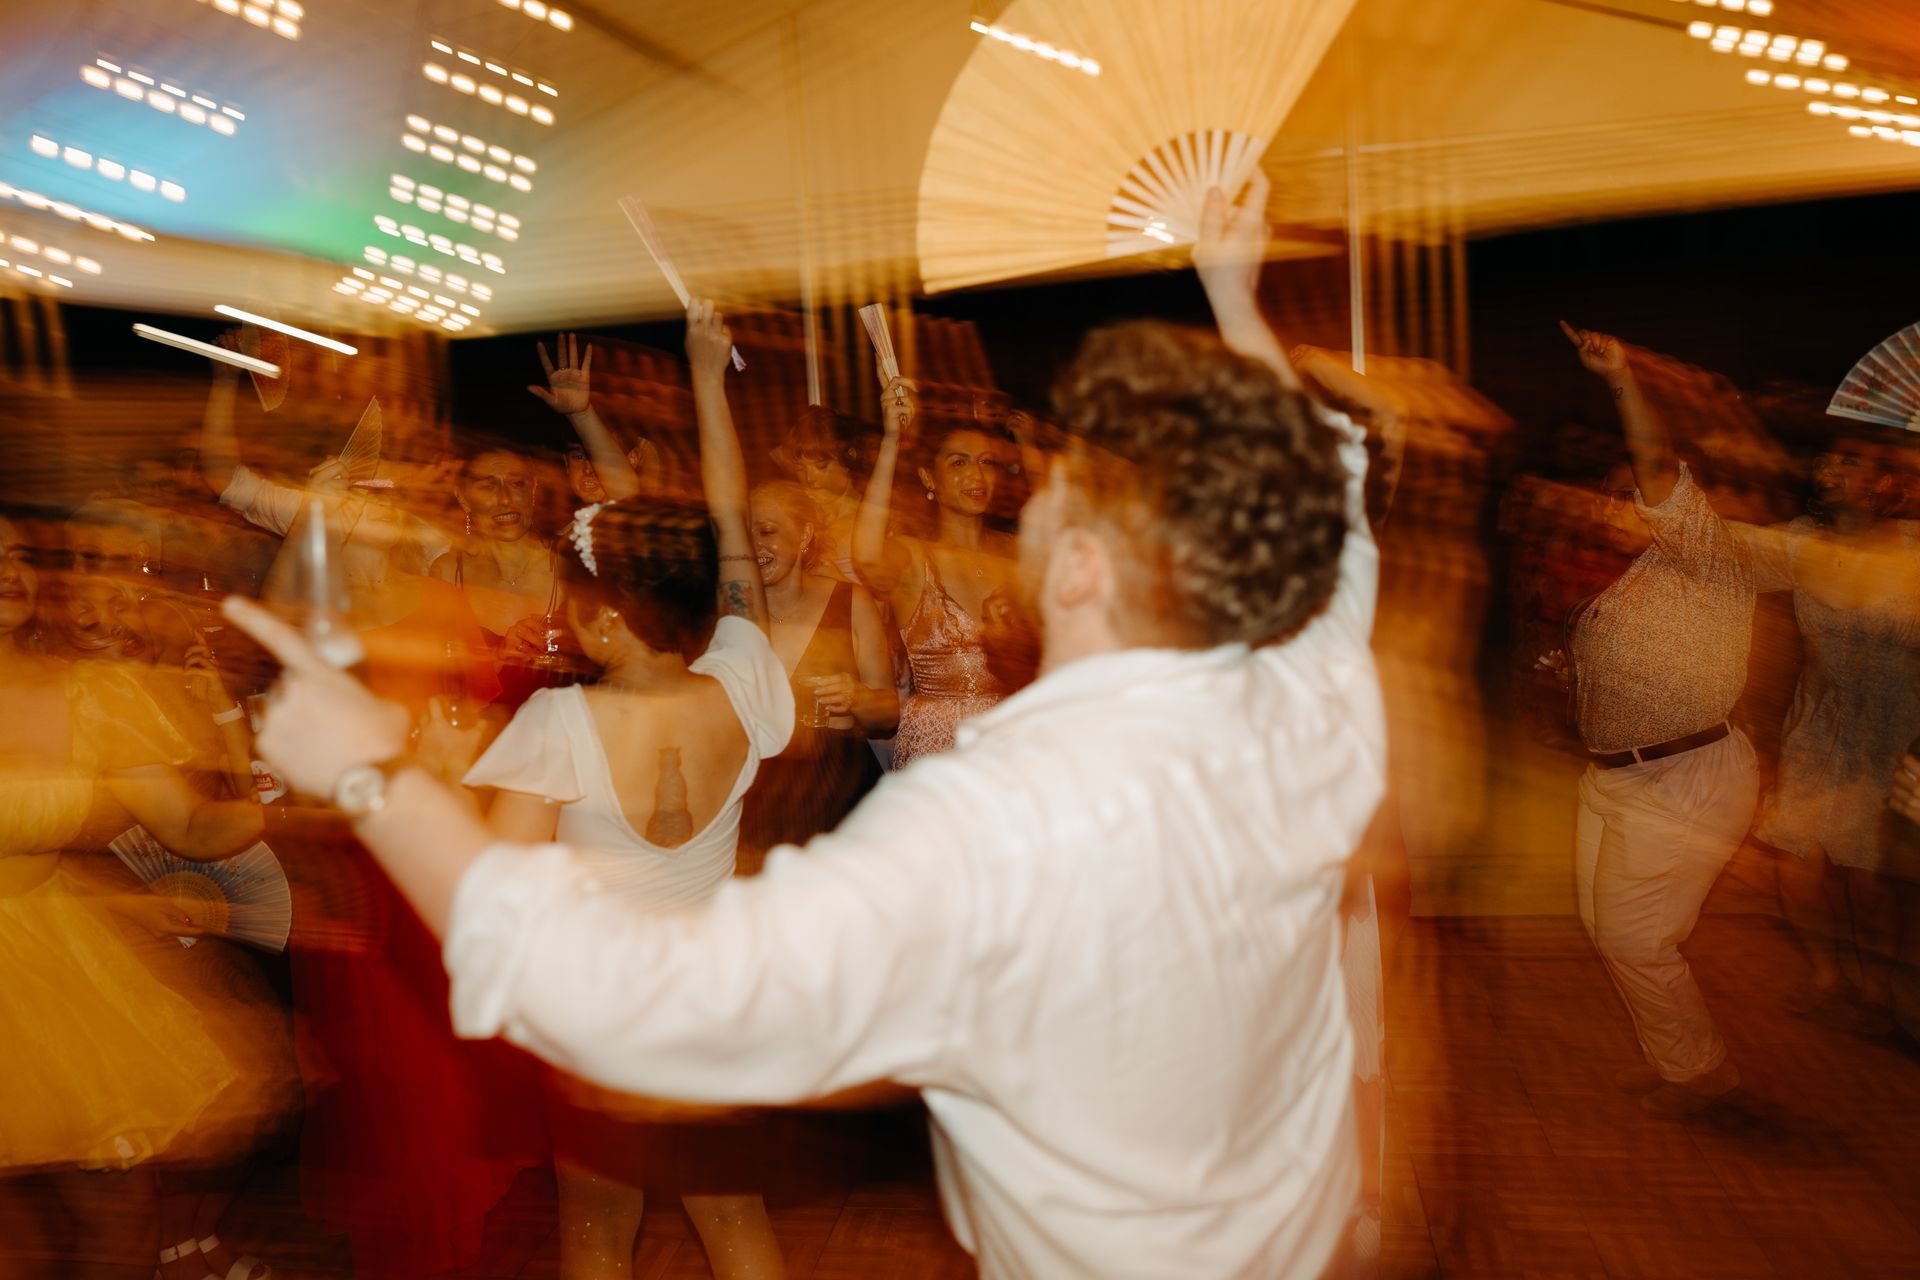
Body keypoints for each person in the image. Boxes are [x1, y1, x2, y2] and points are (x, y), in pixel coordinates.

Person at [227, 174, 1389, 1279]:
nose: (1025, 504)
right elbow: (1332, 525)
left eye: (1054, 493)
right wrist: (1232, 291)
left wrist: (372, 775)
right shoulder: (1306, 711)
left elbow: (640, 1006)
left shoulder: (997, 821)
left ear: (1080, 566)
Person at [460, 300, 795, 1279]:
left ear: (604, 619)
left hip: (604, 1004)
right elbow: (726, 533)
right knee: (733, 1216)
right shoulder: (743, 678)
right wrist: (706, 379)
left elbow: (497, 887)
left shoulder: (560, 727)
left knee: (599, 1228)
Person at [0, 512, 295, 1277]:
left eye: (17, 553)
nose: (9, 570)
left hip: (51, 968)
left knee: (119, 1209)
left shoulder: (92, 692)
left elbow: (192, 828)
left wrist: (317, 802)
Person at [1550, 321, 1759, 1118]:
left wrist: (1622, 382)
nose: (1620, 501)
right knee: (1611, 931)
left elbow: (1657, 465)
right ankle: (1679, 1059)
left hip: (1684, 777)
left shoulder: (1705, 561)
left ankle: (1702, 1072)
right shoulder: (1627, 578)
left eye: (1632, 493)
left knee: (1638, 940)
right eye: (1613, 493)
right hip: (1613, 776)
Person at [1745, 430, 1920, 1029]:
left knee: (1871, 876)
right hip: (1816, 721)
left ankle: (1878, 983)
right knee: (1795, 861)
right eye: (1826, 458)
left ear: (1883, 482)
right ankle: (1827, 972)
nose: (1831, 468)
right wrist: (1760, 722)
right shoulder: (1796, 543)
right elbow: (1759, 619)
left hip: (1894, 730)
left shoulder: (1915, 549)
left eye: (1851, 461)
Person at [196, 359, 451, 628]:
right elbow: (224, 478)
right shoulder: (312, 511)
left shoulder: (431, 545)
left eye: (392, 489)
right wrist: (224, 383)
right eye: (366, 487)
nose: (385, 500)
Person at [852, 382, 1018, 768]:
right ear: (929, 479)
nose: (976, 475)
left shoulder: (1015, 554)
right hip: (941, 743)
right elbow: (866, 555)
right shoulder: (913, 555)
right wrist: (893, 440)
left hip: (1010, 735)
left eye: (986, 462)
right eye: (959, 462)